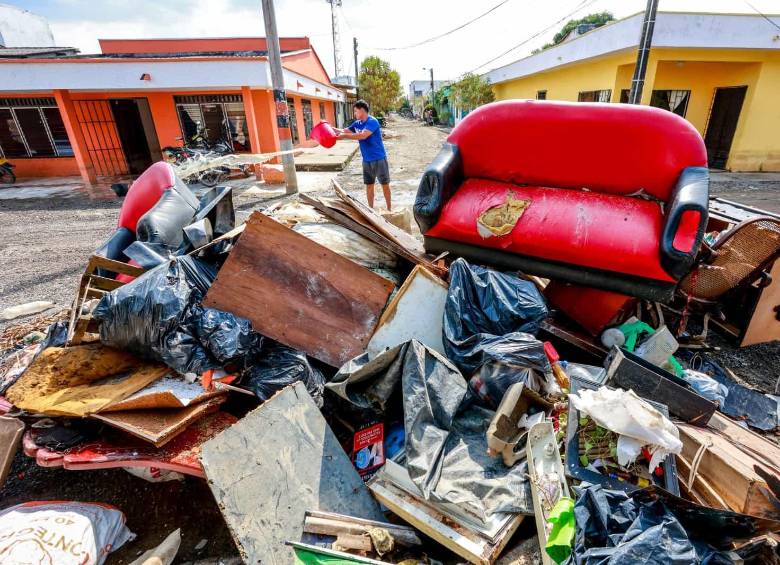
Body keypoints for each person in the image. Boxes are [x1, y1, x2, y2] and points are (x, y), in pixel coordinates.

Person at [336, 100, 391, 210]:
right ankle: (371, 210)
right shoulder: (357, 123)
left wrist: (343, 136)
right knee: (369, 185)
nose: (354, 114)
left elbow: (363, 136)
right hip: (366, 160)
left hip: (379, 158)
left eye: (355, 111)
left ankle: (389, 209)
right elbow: (344, 130)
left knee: (384, 185)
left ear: (362, 110)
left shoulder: (372, 121)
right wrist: (330, 129)